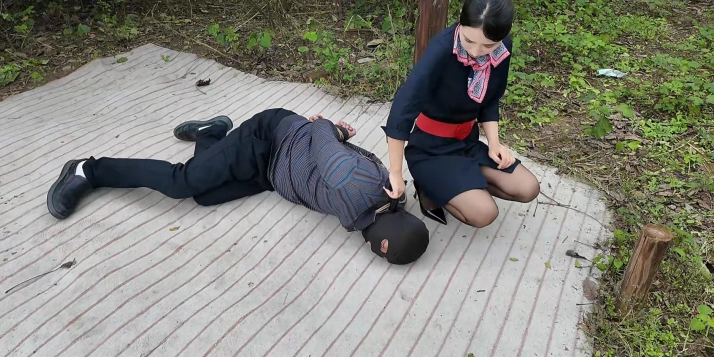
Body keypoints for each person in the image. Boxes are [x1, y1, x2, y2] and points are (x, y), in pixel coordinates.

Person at [47, 109, 429, 265]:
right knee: (183, 182)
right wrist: (336, 132)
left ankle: (211, 133)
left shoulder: (379, 205)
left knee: (205, 195)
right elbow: (321, 130)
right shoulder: (355, 184)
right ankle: (88, 170)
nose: (372, 251)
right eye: (382, 250)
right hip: (267, 140)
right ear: (385, 236)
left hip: (271, 175)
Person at [382, 0, 540, 227]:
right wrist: (396, 173)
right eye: (469, 40)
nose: (476, 52)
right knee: (484, 214)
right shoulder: (441, 50)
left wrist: (494, 144)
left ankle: (460, 184)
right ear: (461, 24)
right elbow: (403, 109)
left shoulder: (502, 48)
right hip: (430, 149)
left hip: (466, 143)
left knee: (528, 188)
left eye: (488, 45)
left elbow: (491, 99)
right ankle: (431, 185)